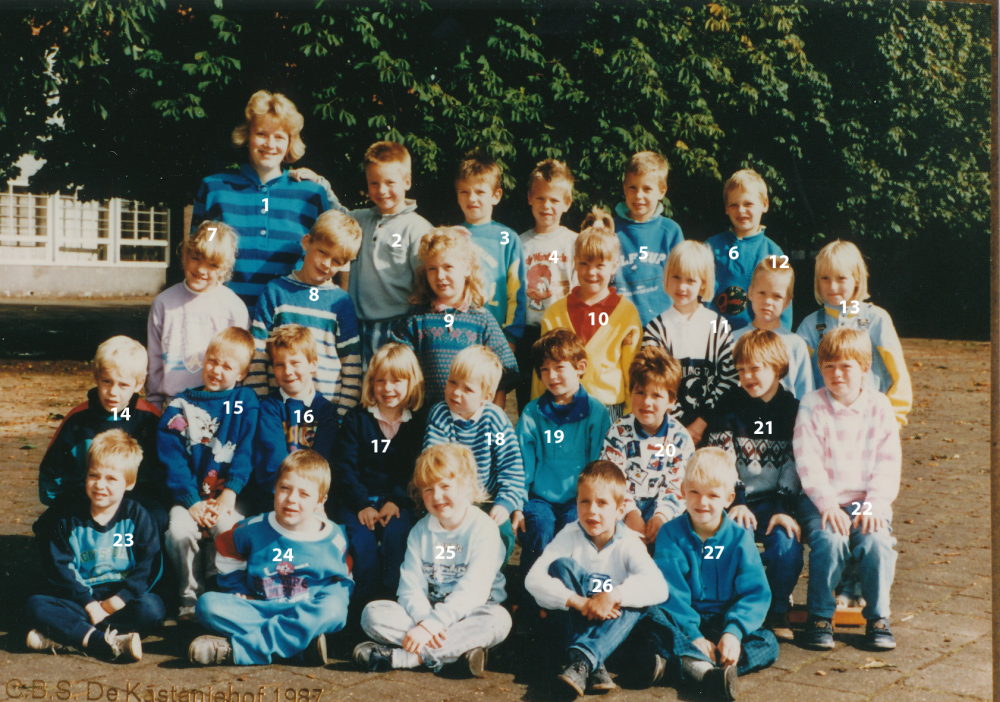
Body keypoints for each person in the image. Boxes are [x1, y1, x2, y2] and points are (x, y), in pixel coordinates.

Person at [353, 444, 512, 677]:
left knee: (499, 620)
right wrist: (425, 621)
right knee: (372, 613)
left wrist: (430, 627)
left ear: (466, 486)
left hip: (474, 614)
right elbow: (410, 587)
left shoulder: (484, 529)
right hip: (429, 615)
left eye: (445, 486)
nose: (436, 496)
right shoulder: (420, 531)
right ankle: (454, 655)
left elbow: (473, 592)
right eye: (428, 489)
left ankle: (405, 658)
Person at [188, 450, 352, 666]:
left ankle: (240, 651)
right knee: (207, 605)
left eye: (304, 494)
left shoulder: (332, 538)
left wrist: (323, 604)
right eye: (285, 488)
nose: (291, 499)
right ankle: (299, 644)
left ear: (320, 500)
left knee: (334, 610)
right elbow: (227, 547)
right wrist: (238, 589)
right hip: (261, 607)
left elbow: (342, 582)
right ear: (274, 489)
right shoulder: (253, 528)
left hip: (305, 610)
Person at [793, 326, 902, 651]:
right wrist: (827, 506)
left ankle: (878, 618)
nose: (836, 374)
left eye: (845, 367)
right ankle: (820, 616)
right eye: (829, 367)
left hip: (867, 501)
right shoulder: (813, 405)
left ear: (865, 369)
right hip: (821, 501)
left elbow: (888, 462)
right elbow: (807, 461)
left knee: (877, 542)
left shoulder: (880, 407)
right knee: (830, 538)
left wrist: (874, 504)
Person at [640, 447, 779, 700]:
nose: (702, 502)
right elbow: (670, 591)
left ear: (728, 498)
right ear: (683, 491)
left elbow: (756, 594)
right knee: (650, 618)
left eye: (712, 495)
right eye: (694, 492)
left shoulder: (740, 539)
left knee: (768, 642)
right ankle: (706, 671)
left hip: (723, 619)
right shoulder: (670, 534)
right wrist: (692, 634)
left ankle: (688, 665)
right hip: (682, 620)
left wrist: (733, 633)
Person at [524, 460, 668, 697]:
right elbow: (533, 579)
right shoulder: (569, 534)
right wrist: (578, 601)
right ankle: (593, 663)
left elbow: (659, 587)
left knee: (636, 599)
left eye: (602, 503)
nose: (592, 510)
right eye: (585, 501)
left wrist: (613, 595)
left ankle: (583, 661)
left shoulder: (629, 541)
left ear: (620, 510)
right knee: (561, 566)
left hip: (614, 629)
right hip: (575, 622)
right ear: (576, 502)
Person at [26, 430, 164, 661]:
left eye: (111, 479)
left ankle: (70, 636)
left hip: (120, 598)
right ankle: (100, 641)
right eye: (94, 475)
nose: (100, 485)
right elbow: (60, 568)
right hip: (80, 598)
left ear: (129, 483)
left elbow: (148, 566)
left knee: (152, 609)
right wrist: (89, 605)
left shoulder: (138, 517)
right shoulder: (68, 519)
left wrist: (117, 600)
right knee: (37, 605)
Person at [190, 90, 335, 310]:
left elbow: (333, 256)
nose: (270, 144)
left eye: (279, 136)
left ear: (289, 143)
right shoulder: (214, 189)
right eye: (261, 134)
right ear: (247, 136)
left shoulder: (311, 194)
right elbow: (195, 256)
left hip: (290, 320)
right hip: (224, 318)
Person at [704, 329, 803, 640]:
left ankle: (776, 611)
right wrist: (737, 502)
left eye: (755, 368)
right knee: (735, 538)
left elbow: (794, 461)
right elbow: (722, 456)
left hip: (777, 500)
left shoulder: (792, 408)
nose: (747, 376)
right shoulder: (729, 404)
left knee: (786, 543)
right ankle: (738, 609)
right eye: (741, 369)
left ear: (777, 366)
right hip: (737, 498)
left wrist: (785, 507)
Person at [157, 327, 260, 620]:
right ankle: (189, 596)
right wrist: (192, 502)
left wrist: (230, 494)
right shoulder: (180, 406)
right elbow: (173, 460)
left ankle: (225, 593)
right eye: (213, 361)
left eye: (227, 366)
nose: (216, 370)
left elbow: (246, 450)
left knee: (231, 531)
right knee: (178, 532)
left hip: (227, 497)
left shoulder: (246, 400)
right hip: (188, 498)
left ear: (241, 373)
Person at [328, 343, 427, 605]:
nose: (387, 388)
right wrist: (362, 504)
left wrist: (395, 500)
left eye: (397, 381)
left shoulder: (416, 423)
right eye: (380, 380)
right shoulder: (356, 420)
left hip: (398, 501)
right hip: (356, 501)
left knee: (398, 536)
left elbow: (413, 470)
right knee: (362, 544)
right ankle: (362, 600)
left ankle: (392, 597)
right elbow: (344, 467)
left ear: (412, 382)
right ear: (371, 383)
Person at [38, 335, 167, 531]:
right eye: (107, 381)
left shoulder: (149, 419)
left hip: (136, 496)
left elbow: (161, 471)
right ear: (96, 376)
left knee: (159, 519)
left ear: (139, 383)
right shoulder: (78, 420)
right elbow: (53, 469)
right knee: (49, 525)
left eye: (123, 385)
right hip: (88, 494)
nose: (113, 392)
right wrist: (62, 501)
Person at [245, 210, 362, 416]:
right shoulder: (275, 292)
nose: (326, 264)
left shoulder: (341, 302)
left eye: (336, 261)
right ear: (307, 242)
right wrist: (260, 409)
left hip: (326, 413)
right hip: (277, 411)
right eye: (322, 252)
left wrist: (342, 418)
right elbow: (258, 355)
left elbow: (351, 365)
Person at [513, 329, 611, 576]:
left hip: (578, 500)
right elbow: (521, 466)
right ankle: (532, 598)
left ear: (580, 367)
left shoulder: (596, 412)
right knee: (540, 526)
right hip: (539, 499)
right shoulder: (532, 413)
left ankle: (567, 597)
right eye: (544, 369)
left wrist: (589, 503)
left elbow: (598, 467)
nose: (551, 376)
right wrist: (518, 503)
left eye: (558, 367)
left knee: (573, 528)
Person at [532, 207, 642, 423]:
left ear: (613, 266)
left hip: (610, 409)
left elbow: (632, 370)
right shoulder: (555, 313)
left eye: (600, 265)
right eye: (584, 263)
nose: (591, 272)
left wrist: (630, 413)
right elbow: (542, 367)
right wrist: (537, 409)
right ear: (574, 262)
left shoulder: (627, 312)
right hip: (563, 405)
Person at [388, 226, 518, 408]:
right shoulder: (417, 318)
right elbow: (394, 364)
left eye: (448, 267)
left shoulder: (482, 320)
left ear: (466, 268)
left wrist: (492, 415)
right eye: (432, 269)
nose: (440, 276)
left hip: (471, 424)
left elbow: (506, 371)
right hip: (425, 422)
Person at [423, 346, 525, 565]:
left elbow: (511, 466)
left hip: (488, 498)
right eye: (452, 383)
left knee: (502, 533)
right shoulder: (441, 415)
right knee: (442, 535)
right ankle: (446, 579)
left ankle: (492, 581)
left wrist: (506, 503)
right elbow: (435, 464)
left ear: (486, 396)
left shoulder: (494, 420)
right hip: (449, 498)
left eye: (467, 389)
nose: (455, 393)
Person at [796, 239, 912, 426]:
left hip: (871, 424)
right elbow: (796, 376)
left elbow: (899, 376)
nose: (832, 287)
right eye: (825, 278)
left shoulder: (877, 319)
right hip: (823, 425)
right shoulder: (810, 325)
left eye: (841, 278)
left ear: (857, 278)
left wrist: (894, 418)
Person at [343, 141, 433, 368]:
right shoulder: (359, 219)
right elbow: (332, 208)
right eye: (374, 183)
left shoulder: (417, 228)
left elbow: (427, 284)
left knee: (391, 387)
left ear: (407, 182)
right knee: (359, 389)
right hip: (357, 323)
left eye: (389, 182)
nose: (381, 190)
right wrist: (317, 181)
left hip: (397, 325)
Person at [642, 239, 738, 445]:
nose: (682, 286)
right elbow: (653, 381)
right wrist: (681, 426)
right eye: (676, 277)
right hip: (667, 430)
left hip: (714, 429)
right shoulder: (656, 328)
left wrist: (700, 424)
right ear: (667, 277)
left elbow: (729, 379)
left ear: (703, 283)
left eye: (690, 280)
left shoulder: (718, 326)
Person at [146, 220, 249, 410]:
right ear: (185, 254)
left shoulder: (234, 308)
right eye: (196, 258)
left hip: (218, 406)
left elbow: (240, 365)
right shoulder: (164, 303)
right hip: (173, 406)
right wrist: (154, 405)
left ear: (224, 269)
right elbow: (154, 361)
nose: (201, 269)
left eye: (212, 264)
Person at [601, 347, 695, 545]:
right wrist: (630, 513)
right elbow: (612, 477)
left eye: (656, 396)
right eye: (640, 392)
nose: (646, 402)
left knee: (672, 537)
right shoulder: (618, 432)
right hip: (624, 505)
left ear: (671, 401)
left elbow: (678, 483)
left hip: (662, 506)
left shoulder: (680, 438)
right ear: (631, 393)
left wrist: (662, 515)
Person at [251, 325, 339, 513]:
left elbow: (323, 461)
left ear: (313, 364)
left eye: (295, 362)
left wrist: (310, 499)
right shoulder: (269, 407)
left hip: (313, 499)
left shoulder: (326, 411)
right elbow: (272, 457)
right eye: (279, 364)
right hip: (275, 497)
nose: (288, 371)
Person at [517, 159, 578, 413]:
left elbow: (579, 288)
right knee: (529, 402)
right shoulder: (519, 243)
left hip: (563, 330)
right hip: (529, 333)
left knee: (564, 397)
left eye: (554, 200)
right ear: (530, 197)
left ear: (567, 203)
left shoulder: (574, 242)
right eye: (541, 198)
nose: (547, 206)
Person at [454, 152, 527, 365]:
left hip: (496, 334)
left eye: (480, 191)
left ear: (496, 195)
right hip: (459, 330)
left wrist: (511, 337)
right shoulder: (452, 235)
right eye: (464, 192)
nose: (472, 198)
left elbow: (517, 291)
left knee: (494, 393)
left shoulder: (508, 238)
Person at [706, 169, 792, 331]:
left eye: (748, 204)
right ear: (726, 208)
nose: (741, 210)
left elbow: (783, 305)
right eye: (734, 205)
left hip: (756, 341)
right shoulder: (710, 247)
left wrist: (779, 339)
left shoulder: (773, 252)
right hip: (714, 339)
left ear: (764, 205)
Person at [611, 151, 684, 326]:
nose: (639, 196)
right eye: (633, 188)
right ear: (624, 188)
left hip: (662, 325)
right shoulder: (610, 229)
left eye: (647, 189)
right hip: (617, 325)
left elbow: (683, 279)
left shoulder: (670, 231)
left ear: (662, 191)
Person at [731, 257, 814, 398]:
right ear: (750, 293)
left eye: (777, 296)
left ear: (787, 301)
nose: (768, 301)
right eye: (762, 293)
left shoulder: (796, 344)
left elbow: (805, 395)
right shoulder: (733, 340)